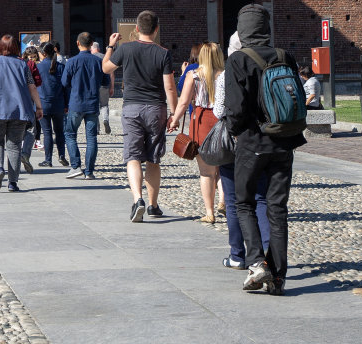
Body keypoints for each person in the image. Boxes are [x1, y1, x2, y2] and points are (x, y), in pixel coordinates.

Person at [224, 4, 306, 295]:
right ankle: (279, 277)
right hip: (285, 142)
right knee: (277, 209)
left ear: (242, 29)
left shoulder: (238, 60)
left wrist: (234, 132)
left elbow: (235, 109)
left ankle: (257, 262)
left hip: (252, 143)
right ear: (265, 28)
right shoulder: (286, 56)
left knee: (244, 202)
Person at [103, 14, 177, 220]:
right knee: (153, 159)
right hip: (156, 109)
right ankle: (153, 205)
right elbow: (169, 87)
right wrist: (175, 114)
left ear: (137, 28)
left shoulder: (125, 49)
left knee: (133, 156)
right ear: (156, 29)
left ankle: (138, 200)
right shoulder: (163, 53)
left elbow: (105, 67)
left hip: (132, 108)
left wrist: (110, 46)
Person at [214, 31, 270, 268]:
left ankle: (238, 255)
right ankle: (267, 254)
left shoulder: (226, 75)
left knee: (236, 200)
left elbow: (219, 112)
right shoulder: (269, 66)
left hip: (236, 142)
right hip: (265, 141)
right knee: (261, 198)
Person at [168, 40, 224, 223]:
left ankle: (210, 213)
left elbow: (183, 102)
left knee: (206, 172)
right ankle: (223, 201)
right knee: (223, 167)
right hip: (222, 121)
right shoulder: (226, 75)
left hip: (201, 121)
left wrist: (174, 120)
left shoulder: (194, 75)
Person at [0, 34, 43, 191]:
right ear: (16, 47)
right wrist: (39, 107)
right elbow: (32, 87)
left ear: (1, 47)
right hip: (19, 110)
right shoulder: (23, 65)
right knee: (14, 145)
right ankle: (12, 182)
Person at [61, 32, 105, 180]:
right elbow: (106, 82)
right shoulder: (99, 61)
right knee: (91, 137)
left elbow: (64, 82)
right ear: (92, 43)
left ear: (77, 43)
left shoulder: (72, 62)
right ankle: (89, 171)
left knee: (70, 133)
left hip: (76, 103)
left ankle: (75, 166)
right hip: (92, 103)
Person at [36, 42, 67, 167]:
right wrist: (66, 103)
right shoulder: (61, 67)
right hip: (59, 103)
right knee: (59, 131)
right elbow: (66, 87)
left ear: (43, 53)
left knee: (47, 132)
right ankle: (61, 155)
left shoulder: (38, 68)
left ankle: (48, 159)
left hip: (43, 103)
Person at [91, 40, 112, 133]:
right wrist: (112, 86)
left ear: (92, 49)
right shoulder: (105, 57)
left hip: (93, 85)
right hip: (104, 84)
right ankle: (105, 119)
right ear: (98, 49)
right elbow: (111, 72)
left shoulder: (90, 58)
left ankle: (96, 128)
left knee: (94, 106)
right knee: (104, 105)